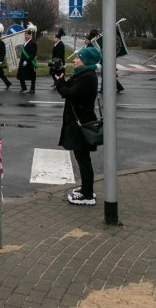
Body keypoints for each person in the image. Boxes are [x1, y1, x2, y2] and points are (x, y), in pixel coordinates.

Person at [55, 46, 101, 206]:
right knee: (82, 157)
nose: (75, 60)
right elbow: (67, 88)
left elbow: (70, 93)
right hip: (80, 121)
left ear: (86, 61)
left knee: (83, 159)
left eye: (78, 58)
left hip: (82, 123)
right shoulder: (83, 74)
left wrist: (60, 83)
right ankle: (86, 188)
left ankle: (87, 195)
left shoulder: (87, 77)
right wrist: (59, 78)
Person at [17, 29, 38, 94]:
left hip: (29, 62)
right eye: (25, 35)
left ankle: (32, 89)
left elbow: (33, 54)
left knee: (32, 77)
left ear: (30, 36)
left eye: (27, 35)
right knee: (21, 75)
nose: (26, 36)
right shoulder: (24, 43)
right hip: (22, 62)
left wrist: (27, 61)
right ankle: (23, 87)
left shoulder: (33, 44)